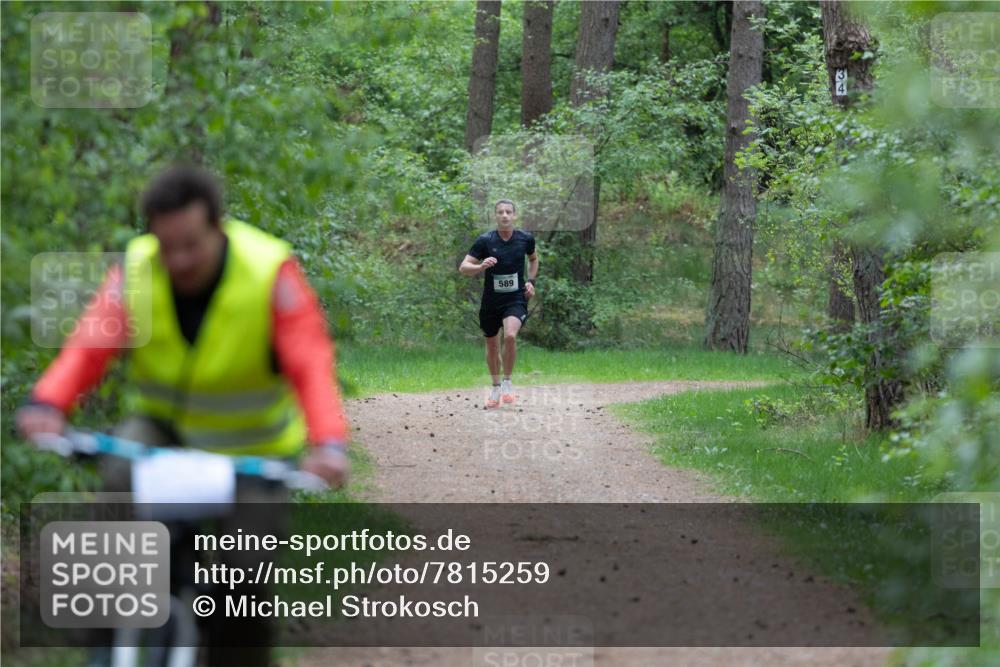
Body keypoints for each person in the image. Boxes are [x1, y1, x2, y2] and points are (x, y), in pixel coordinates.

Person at [16, 165, 350, 666]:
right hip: (160, 432)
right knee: (115, 488)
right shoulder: (136, 269)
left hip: (254, 449)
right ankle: (104, 650)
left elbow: (310, 361)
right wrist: (48, 404)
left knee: (244, 574)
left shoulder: (268, 270)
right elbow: (89, 345)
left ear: (219, 225)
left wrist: (328, 443)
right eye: (166, 245)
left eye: (191, 244)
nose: (178, 259)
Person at [459, 199, 538, 408]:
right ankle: (495, 388)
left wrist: (531, 281)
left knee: (510, 335)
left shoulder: (525, 239)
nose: (504, 215)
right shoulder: (485, 241)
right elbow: (463, 267)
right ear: (495, 216)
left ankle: (507, 382)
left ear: (514, 216)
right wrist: (480, 266)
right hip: (491, 301)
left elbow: (533, 259)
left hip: (516, 299)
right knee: (492, 344)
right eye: (500, 212)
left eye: (508, 212)